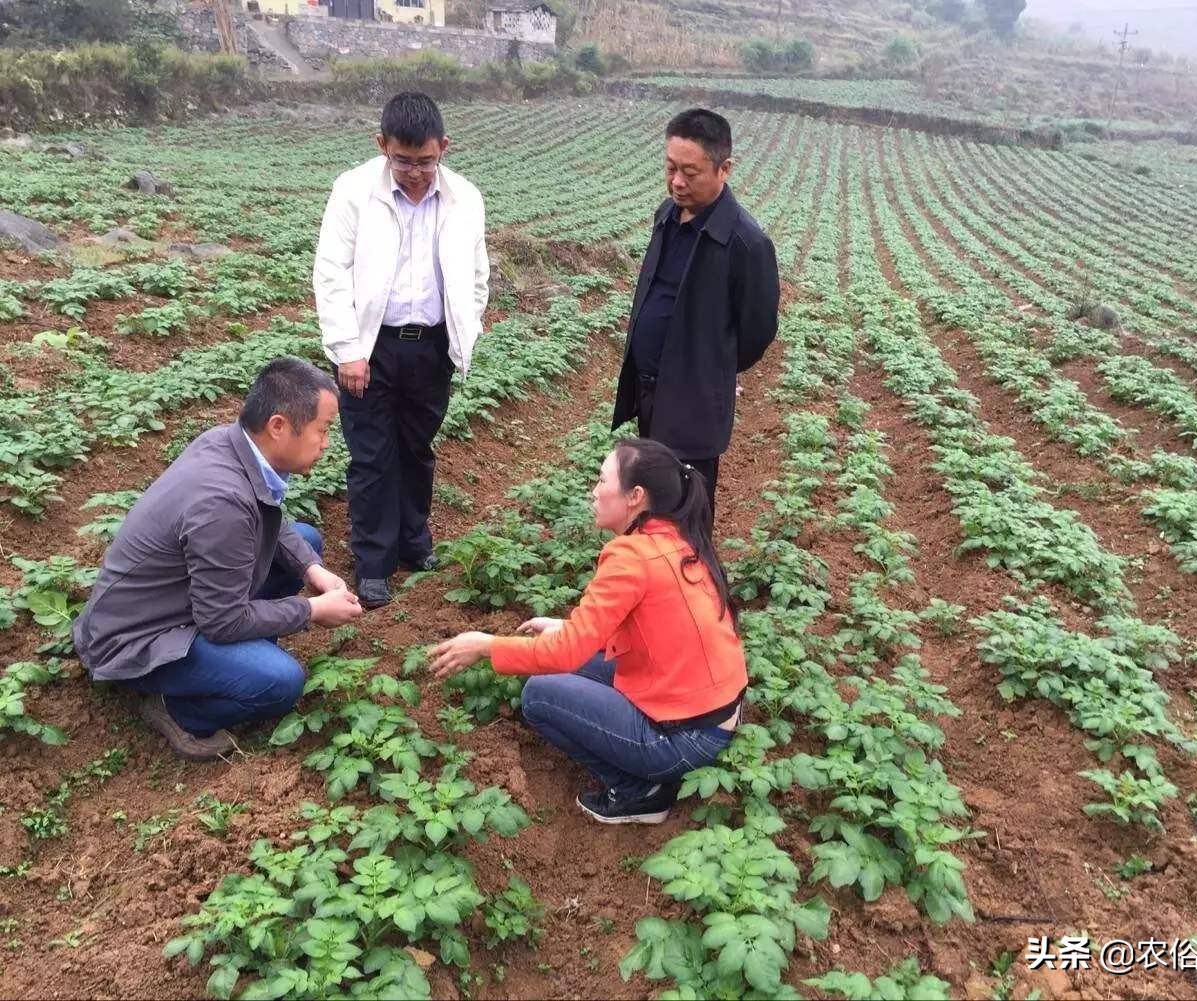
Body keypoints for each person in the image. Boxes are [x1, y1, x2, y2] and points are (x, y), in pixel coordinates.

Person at [428, 438, 747, 825]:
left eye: (601, 480)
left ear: (635, 496)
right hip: (715, 715)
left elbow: (565, 654)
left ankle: (639, 794)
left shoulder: (629, 556)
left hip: (685, 739)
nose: (593, 491)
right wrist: (570, 628)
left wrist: (485, 646)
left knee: (540, 694)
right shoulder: (676, 538)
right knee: (577, 660)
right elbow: (653, 627)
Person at [72, 358, 363, 762]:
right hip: (137, 640)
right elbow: (223, 621)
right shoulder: (221, 503)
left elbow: (268, 518)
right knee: (280, 682)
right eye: (323, 429)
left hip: (174, 603)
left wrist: (312, 568)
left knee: (306, 542)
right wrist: (311, 610)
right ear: (278, 426)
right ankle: (178, 710)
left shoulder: (228, 442)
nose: (326, 443)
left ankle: (238, 656)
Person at [314, 90, 490, 609]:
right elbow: (331, 272)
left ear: (444, 148)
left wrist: (465, 332)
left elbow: (477, 274)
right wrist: (347, 349)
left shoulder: (465, 198)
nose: (414, 173)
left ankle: (414, 542)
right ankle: (373, 562)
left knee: (417, 448)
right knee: (372, 456)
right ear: (382, 145)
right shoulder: (353, 191)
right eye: (403, 160)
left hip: (432, 347)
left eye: (425, 161)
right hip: (372, 347)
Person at [612, 108, 780, 516]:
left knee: (687, 512)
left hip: (693, 403)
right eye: (670, 168)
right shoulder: (666, 215)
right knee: (652, 502)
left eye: (690, 172)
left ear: (724, 169)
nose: (677, 181)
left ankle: (691, 561)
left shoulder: (746, 243)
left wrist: (708, 367)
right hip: (649, 392)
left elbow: (757, 332)